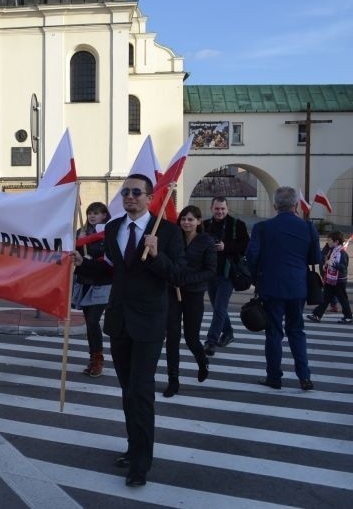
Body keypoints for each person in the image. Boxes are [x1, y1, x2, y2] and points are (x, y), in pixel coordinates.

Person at [73, 174, 184, 487]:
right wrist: (82, 263)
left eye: (137, 192)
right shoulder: (113, 228)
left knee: (141, 391)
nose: (130, 197)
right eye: (126, 192)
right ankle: (133, 446)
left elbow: (177, 275)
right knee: (127, 391)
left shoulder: (167, 231)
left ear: (150, 198)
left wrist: (157, 253)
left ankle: (141, 463)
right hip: (119, 320)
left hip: (149, 322)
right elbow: (112, 271)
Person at [246, 186, 322, 391]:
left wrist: (257, 279)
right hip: (298, 286)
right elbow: (316, 258)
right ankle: (304, 377)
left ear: (275, 205)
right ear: (296, 205)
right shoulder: (308, 227)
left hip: (271, 287)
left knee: (274, 333)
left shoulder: (262, 227)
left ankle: (274, 377)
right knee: (297, 331)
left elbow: (251, 257)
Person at [162, 205, 216, 398]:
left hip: (194, 293)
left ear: (199, 221)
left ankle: (202, 361)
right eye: (183, 218)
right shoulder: (174, 238)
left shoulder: (206, 241)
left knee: (191, 338)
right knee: (172, 337)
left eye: (191, 219)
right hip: (172, 292)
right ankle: (173, 380)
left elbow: (210, 270)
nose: (186, 222)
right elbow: (167, 262)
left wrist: (186, 280)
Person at [202, 196, 249, 356]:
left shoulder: (238, 225)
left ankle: (211, 341)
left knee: (220, 307)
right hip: (209, 272)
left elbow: (245, 246)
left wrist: (225, 246)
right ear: (211, 208)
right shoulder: (205, 225)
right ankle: (228, 332)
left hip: (229, 273)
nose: (220, 211)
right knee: (217, 307)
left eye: (222, 208)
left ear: (227, 208)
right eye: (217, 208)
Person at [73, 201, 112, 377]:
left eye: (96, 213)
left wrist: (91, 258)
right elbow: (71, 254)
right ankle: (93, 358)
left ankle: (98, 359)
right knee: (89, 323)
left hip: (102, 283)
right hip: (85, 282)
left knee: (93, 321)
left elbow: (109, 259)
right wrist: (78, 242)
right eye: (90, 213)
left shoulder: (108, 234)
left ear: (104, 215)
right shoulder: (81, 234)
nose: (91, 216)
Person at [306, 231, 352, 323]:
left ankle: (348, 317)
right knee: (325, 298)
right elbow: (328, 262)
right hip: (330, 280)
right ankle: (317, 315)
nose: (328, 242)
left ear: (336, 242)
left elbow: (343, 268)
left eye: (330, 240)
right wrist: (325, 266)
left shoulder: (342, 254)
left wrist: (333, 264)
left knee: (343, 299)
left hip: (339, 281)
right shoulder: (332, 251)